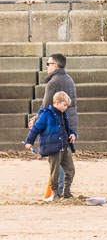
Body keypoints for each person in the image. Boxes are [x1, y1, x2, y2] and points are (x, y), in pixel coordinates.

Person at [29, 53, 78, 196]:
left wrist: (35, 119)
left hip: (56, 127)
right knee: (64, 159)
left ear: (55, 65)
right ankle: (64, 191)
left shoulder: (53, 83)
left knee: (57, 161)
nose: (46, 67)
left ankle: (58, 192)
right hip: (68, 125)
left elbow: (46, 106)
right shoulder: (69, 80)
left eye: (48, 64)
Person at [24, 91, 76, 200]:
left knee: (70, 170)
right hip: (54, 149)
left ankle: (67, 192)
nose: (66, 107)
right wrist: (29, 141)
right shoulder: (46, 114)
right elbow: (36, 128)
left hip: (65, 147)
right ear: (57, 102)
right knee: (55, 172)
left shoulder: (63, 114)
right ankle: (55, 194)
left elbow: (67, 129)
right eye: (65, 105)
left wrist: (72, 134)